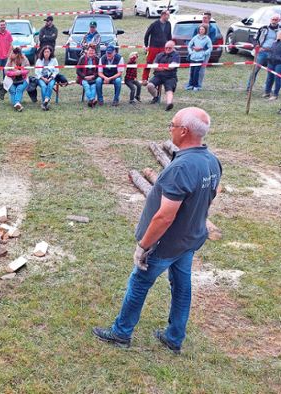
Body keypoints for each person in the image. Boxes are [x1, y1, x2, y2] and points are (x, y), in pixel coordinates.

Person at [93, 107, 222, 355]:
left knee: (139, 282)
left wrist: (144, 246)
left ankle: (121, 333)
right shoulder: (211, 161)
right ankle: (174, 337)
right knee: (182, 286)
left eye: (171, 125)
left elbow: (164, 216)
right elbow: (209, 197)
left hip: (166, 244)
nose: (170, 128)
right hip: (190, 239)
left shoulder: (181, 168)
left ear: (184, 131)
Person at [248, 13, 280, 95]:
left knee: (271, 73)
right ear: (270, 20)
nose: (274, 21)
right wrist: (257, 46)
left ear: (279, 21)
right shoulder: (263, 29)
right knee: (255, 70)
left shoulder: (280, 30)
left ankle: (267, 91)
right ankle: (249, 88)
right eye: (273, 19)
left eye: (276, 19)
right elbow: (253, 39)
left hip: (274, 54)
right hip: (262, 52)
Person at [147, 41, 180, 111]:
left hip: (170, 77)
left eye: (170, 48)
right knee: (149, 86)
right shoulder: (159, 55)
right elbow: (154, 66)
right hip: (158, 76)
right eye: (166, 48)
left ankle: (169, 104)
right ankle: (156, 97)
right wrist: (165, 68)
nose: (167, 49)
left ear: (173, 48)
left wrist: (160, 68)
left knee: (169, 90)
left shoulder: (176, 55)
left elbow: (172, 67)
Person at [143, 10, 172, 82]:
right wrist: (146, 45)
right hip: (153, 47)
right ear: (163, 15)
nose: (169, 16)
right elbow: (147, 35)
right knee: (149, 62)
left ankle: (161, 77)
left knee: (162, 63)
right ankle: (144, 78)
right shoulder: (154, 24)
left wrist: (170, 45)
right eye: (168, 15)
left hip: (163, 47)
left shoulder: (168, 24)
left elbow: (169, 36)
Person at [186, 25, 212, 91]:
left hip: (200, 58)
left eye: (202, 29)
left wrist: (204, 53)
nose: (201, 31)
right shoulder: (195, 37)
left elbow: (210, 48)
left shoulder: (207, 39)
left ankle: (196, 86)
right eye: (200, 29)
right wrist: (191, 52)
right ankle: (190, 85)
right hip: (193, 57)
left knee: (196, 72)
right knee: (192, 72)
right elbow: (189, 45)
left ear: (205, 30)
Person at [197, 11, 219, 89]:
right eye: (203, 17)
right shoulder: (198, 27)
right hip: (196, 52)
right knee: (194, 68)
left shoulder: (212, 29)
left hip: (205, 52)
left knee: (202, 69)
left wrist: (202, 47)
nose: (203, 19)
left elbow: (211, 41)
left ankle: (199, 85)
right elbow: (193, 37)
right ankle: (192, 83)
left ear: (209, 19)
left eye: (205, 18)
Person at [35, 46, 60, 111]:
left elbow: (56, 70)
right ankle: (45, 102)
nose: (46, 53)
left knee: (51, 85)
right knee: (43, 86)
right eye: (45, 52)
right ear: (43, 52)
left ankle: (45, 102)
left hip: (51, 77)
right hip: (41, 77)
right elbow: (36, 72)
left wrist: (51, 78)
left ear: (50, 52)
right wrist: (43, 78)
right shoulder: (39, 60)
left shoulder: (54, 60)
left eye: (48, 52)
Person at [6, 47, 29, 112]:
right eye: (12, 53)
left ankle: (17, 103)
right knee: (13, 90)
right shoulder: (10, 60)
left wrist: (20, 72)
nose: (12, 54)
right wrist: (14, 73)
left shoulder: (24, 59)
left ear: (18, 54)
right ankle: (17, 104)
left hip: (23, 79)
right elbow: (6, 71)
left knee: (19, 89)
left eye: (13, 53)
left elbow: (28, 70)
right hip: (11, 79)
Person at [267, 31, 281, 100]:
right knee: (269, 77)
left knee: (277, 79)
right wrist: (269, 57)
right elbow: (270, 51)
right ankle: (267, 92)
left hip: (279, 64)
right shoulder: (274, 43)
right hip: (271, 62)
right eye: (279, 34)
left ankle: (275, 95)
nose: (279, 35)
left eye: (280, 34)